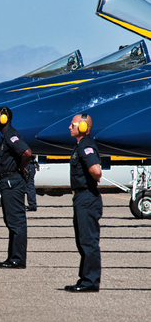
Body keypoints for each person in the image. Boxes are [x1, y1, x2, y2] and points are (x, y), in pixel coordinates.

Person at [64, 114, 102, 293]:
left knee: (88, 241)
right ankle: (85, 278)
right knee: (82, 241)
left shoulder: (86, 146)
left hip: (87, 197)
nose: (69, 127)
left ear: (83, 127)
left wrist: (95, 177)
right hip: (81, 197)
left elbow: (96, 170)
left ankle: (90, 281)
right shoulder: (80, 146)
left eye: (73, 125)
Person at [0, 106, 32, 268]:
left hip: (12, 181)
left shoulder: (11, 135)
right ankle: (12, 257)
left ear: (3, 119)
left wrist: (20, 168)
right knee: (11, 221)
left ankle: (18, 259)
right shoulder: (6, 136)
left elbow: (27, 153)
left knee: (16, 222)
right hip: (7, 181)